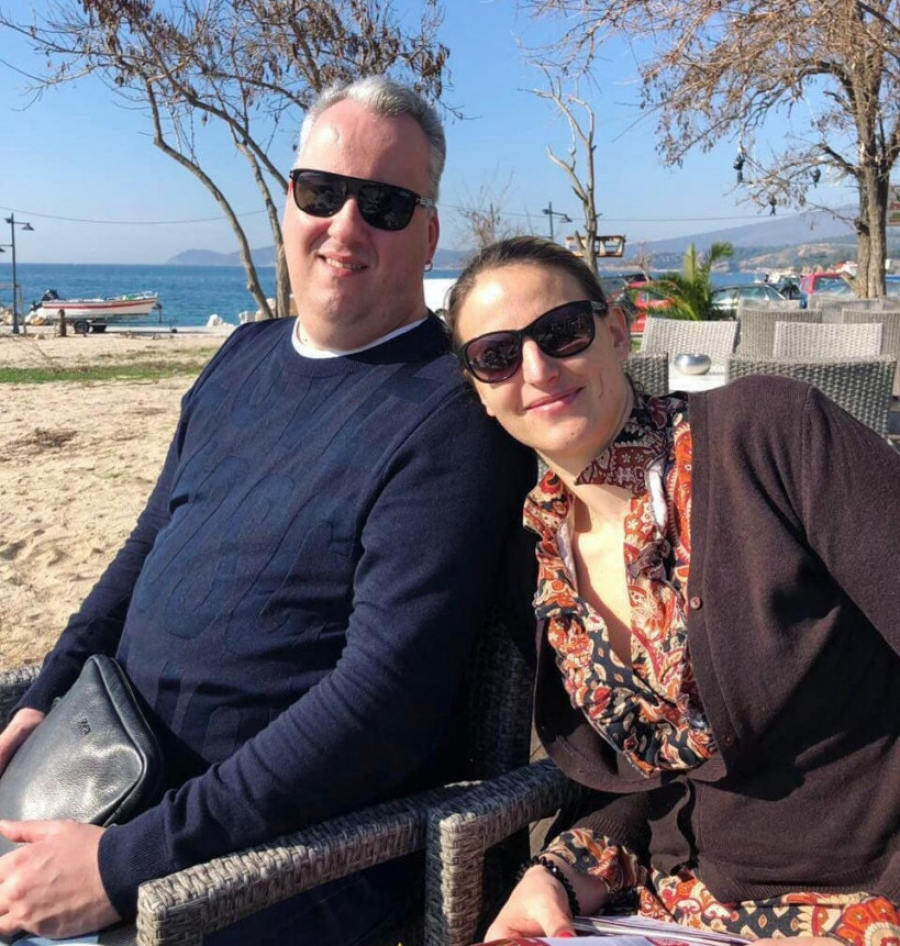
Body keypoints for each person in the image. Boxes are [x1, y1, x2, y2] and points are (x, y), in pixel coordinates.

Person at [0, 79, 536, 944]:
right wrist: (43, 699)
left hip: (260, 863)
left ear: (430, 235)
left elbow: (383, 707)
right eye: (321, 191)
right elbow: (144, 549)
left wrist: (123, 865)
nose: (345, 227)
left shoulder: (450, 418)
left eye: (386, 206)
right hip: (99, 772)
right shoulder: (243, 355)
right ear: (288, 203)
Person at [446, 235, 900, 945]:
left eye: (560, 331)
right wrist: (560, 873)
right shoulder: (542, 563)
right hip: (682, 907)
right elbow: (665, 784)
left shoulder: (770, 435)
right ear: (479, 390)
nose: (536, 369)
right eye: (497, 355)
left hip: (866, 896)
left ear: (617, 331)